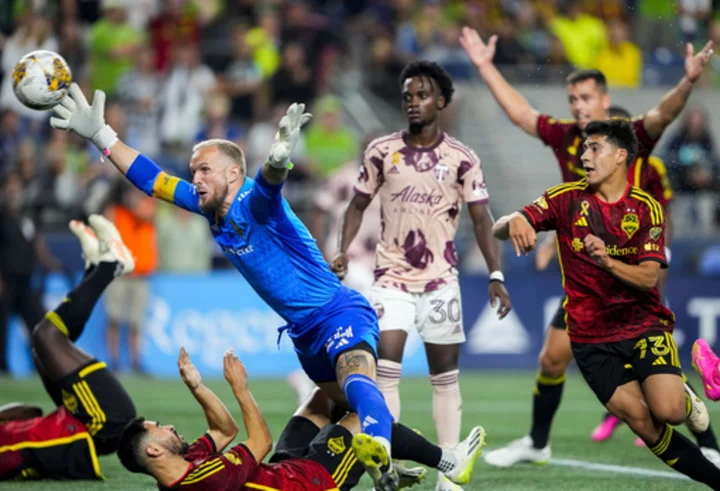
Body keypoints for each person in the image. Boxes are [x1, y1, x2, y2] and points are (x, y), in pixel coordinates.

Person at [50, 84, 398, 489]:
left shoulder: (253, 203)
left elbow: (269, 189)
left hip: (338, 311)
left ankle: (383, 456)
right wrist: (101, 136)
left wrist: (277, 160)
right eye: (194, 170)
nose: (194, 178)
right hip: (303, 333)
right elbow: (153, 180)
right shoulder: (209, 206)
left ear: (234, 173)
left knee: (357, 385)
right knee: (338, 406)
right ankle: (438, 457)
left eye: (204, 170)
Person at [459, 26, 720, 466]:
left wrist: (689, 81)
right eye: (572, 101)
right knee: (552, 357)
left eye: (584, 99)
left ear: (603, 100)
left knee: (664, 397)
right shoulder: (569, 141)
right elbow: (523, 114)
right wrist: (485, 66)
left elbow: (662, 114)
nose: (577, 108)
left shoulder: (628, 138)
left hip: (631, 273)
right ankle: (539, 441)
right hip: (587, 276)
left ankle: (707, 439)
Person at [492, 119, 718, 488]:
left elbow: (648, 277)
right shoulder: (564, 199)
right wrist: (513, 220)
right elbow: (502, 227)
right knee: (645, 424)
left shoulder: (646, 208)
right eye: (583, 149)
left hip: (642, 323)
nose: (585, 156)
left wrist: (607, 261)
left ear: (620, 157)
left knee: (670, 412)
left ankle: (685, 397)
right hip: (590, 338)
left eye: (594, 148)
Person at [332, 60, 511, 491]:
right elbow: (356, 205)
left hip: (440, 282)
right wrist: (341, 249)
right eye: (408, 96)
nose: (413, 103)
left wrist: (496, 273)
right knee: (385, 370)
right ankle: (388, 464)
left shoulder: (462, 159)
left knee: (444, 376)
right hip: (390, 280)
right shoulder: (381, 151)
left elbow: (483, 220)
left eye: (423, 95)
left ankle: (448, 474)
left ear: (442, 102)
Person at [116, 348, 486, 490]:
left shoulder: (185, 463)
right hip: (309, 484)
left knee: (319, 401)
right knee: (364, 413)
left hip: (281, 471)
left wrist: (197, 386)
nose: (169, 428)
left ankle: (383, 465)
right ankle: (449, 463)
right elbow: (258, 442)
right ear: (152, 451)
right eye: (160, 430)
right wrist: (241, 389)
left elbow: (222, 429)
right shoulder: (203, 481)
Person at [0, 214, 137, 480]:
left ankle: (95, 270)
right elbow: (28, 411)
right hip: (102, 422)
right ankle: (110, 267)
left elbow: (32, 413)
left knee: (43, 351)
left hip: (81, 422)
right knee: (45, 337)